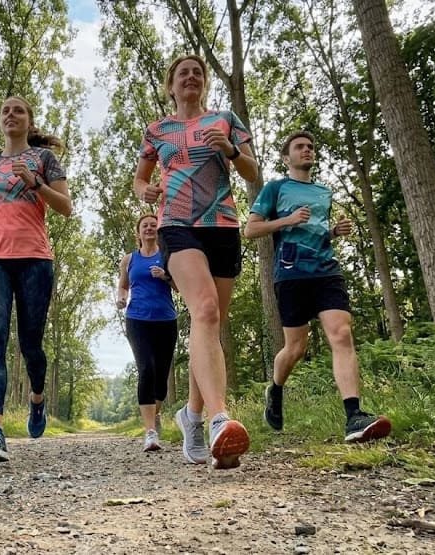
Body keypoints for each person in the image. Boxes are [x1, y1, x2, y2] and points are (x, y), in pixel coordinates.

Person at [134, 54, 259, 469]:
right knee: (204, 310)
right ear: (171, 85)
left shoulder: (226, 119)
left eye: (198, 73)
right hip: (176, 224)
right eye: (183, 73)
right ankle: (219, 419)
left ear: (204, 83)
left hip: (222, 224)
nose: (191, 77)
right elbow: (140, 177)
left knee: (211, 323)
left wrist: (230, 151)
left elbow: (251, 171)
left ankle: (191, 414)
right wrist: (144, 191)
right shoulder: (158, 130)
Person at [244, 130, 392, 443]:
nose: (307, 150)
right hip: (290, 274)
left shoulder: (324, 193)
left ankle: (354, 415)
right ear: (286, 158)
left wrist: (334, 232)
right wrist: (287, 221)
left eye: (310, 147)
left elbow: (317, 232)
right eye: (299, 147)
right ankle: (276, 387)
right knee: (296, 347)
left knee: (341, 333)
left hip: (326, 270)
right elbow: (251, 229)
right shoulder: (275, 188)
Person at [0, 96, 73, 463]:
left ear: (29, 121)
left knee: (31, 344)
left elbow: (65, 207)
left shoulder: (44, 160)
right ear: (0, 121)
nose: (10, 115)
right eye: (5, 111)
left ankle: (38, 399)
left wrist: (36, 185)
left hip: (34, 258)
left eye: (18, 110)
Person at [116, 214, 178, 452]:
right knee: (146, 369)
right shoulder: (129, 259)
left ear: (158, 231)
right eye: (145, 226)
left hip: (166, 319)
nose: (150, 228)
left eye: (154, 225)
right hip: (137, 319)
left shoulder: (167, 256)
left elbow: (180, 287)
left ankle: (155, 415)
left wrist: (165, 276)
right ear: (138, 233)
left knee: (161, 375)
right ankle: (150, 432)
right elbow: (124, 285)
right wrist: (121, 299)